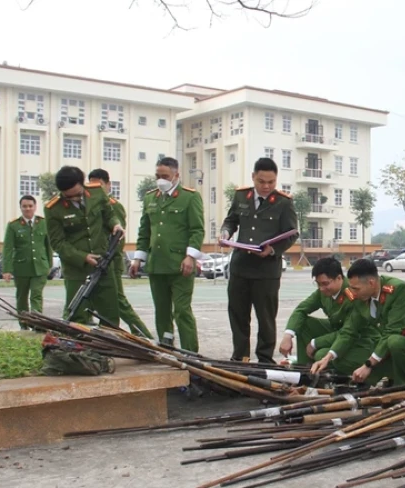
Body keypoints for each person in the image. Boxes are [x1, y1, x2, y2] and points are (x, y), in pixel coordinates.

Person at [220, 157, 298, 363]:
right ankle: (240, 356)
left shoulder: (283, 202)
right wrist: (225, 234)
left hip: (266, 270)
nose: (266, 186)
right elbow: (231, 220)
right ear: (253, 177)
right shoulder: (240, 196)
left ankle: (264, 358)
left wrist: (273, 249)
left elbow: (292, 233)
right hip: (240, 267)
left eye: (271, 182)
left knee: (266, 318)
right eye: (261, 181)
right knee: (238, 315)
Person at [311, 258, 405, 388]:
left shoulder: (398, 290)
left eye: (356, 289)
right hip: (384, 350)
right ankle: (381, 375)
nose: (353, 294)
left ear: (371, 283)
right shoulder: (361, 297)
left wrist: (368, 365)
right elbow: (349, 331)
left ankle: (402, 385)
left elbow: (393, 331)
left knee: (395, 341)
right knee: (324, 354)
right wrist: (327, 358)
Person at [130, 157, 204, 351]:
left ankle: (190, 352)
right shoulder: (150, 197)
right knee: (162, 311)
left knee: (181, 311)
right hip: (157, 264)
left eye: (165, 176)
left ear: (176, 175)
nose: (161, 180)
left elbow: (197, 230)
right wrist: (138, 258)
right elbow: (144, 231)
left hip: (181, 265)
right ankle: (166, 348)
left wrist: (190, 256)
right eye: (158, 176)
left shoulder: (189, 197)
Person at [44, 166, 123, 325]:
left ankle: (108, 348)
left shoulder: (96, 192)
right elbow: (57, 243)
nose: (75, 199)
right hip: (76, 270)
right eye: (69, 197)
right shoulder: (53, 209)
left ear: (83, 184)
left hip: (103, 263)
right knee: (78, 317)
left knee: (110, 316)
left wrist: (115, 225)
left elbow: (109, 214)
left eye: (78, 195)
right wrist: (83, 257)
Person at [88, 169, 153, 339]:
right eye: (92, 185)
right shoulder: (88, 205)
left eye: (100, 185)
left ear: (108, 186)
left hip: (110, 262)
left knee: (117, 301)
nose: (96, 189)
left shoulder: (113, 206)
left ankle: (144, 336)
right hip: (92, 261)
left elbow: (117, 238)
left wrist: (105, 258)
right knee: (92, 299)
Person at [278, 257, 375, 369]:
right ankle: (304, 370)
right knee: (303, 323)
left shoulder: (354, 294)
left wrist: (315, 343)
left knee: (320, 354)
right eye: (318, 284)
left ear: (339, 278)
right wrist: (288, 336)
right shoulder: (323, 292)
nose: (322, 288)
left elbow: (348, 332)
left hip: (360, 339)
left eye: (325, 283)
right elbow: (301, 310)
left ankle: (326, 373)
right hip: (337, 331)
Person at [2, 195, 52, 329]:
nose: (28, 209)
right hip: (21, 267)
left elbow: (48, 246)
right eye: (24, 206)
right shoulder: (14, 225)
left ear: (35, 207)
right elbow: (8, 248)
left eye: (30, 206)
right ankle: (24, 324)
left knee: (36, 295)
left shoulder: (43, 223)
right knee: (22, 297)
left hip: (40, 267)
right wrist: (6, 269)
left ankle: (37, 324)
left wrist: (49, 265)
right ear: (21, 208)